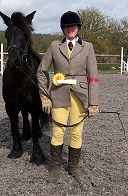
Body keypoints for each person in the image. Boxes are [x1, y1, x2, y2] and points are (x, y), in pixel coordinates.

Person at [37, 11, 99, 183]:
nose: (70, 28)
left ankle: (74, 167)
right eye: (66, 26)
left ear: (78, 28)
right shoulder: (54, 46)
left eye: (73, 26)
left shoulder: (88, 47)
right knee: (58, 132)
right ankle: (55, 167)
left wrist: (93, 102)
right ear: (63, 29)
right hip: (58, 94)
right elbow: (41, 71)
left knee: (77, 133)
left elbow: (93, 76)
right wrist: (44, 95)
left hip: (80, 96)